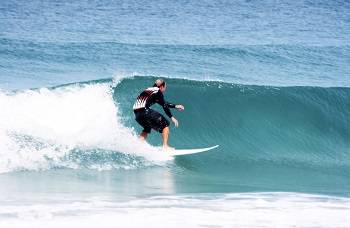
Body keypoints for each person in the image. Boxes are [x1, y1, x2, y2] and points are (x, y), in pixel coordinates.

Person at [133, 79, 184, 149]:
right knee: (165, 124)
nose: (165, 90)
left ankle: (138, 145)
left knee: (147, 128)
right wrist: (171, 117)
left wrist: (175, 106)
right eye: (165, 87)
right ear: (161, 87)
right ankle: (165, 147)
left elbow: (163, 103)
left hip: (137, 114)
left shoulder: (148, 90)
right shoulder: (157, 91)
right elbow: (164, 105)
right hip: (144, 111)